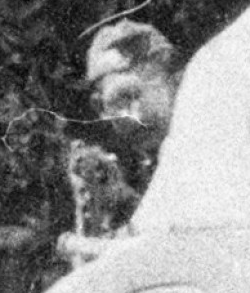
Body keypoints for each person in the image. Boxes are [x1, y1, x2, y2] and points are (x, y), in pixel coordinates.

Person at [68, 18, 182, 237]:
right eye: (121, 100)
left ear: (172, 85)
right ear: (99, 107)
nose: (135, 115)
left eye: (143, 94)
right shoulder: (105, 167)